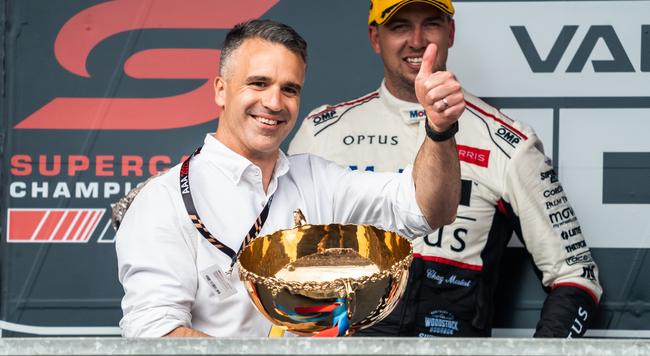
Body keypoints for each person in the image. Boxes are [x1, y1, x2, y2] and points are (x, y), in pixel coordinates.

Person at [115, 19, 463, 337]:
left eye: (290, 89)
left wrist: (439, 129)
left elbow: (428, 208)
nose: (274, 102)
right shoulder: (165, 199)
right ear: (221, 90)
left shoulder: (316, 179)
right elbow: (154, 335)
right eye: (258, 83)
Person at [288, 0, 602, 337]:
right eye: (400, 26)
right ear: (375, 37)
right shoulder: (323, 133)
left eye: (431, 24)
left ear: (450, 32)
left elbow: (577, 274)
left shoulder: (506, 142)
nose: (417, 40)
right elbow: (282, 262)